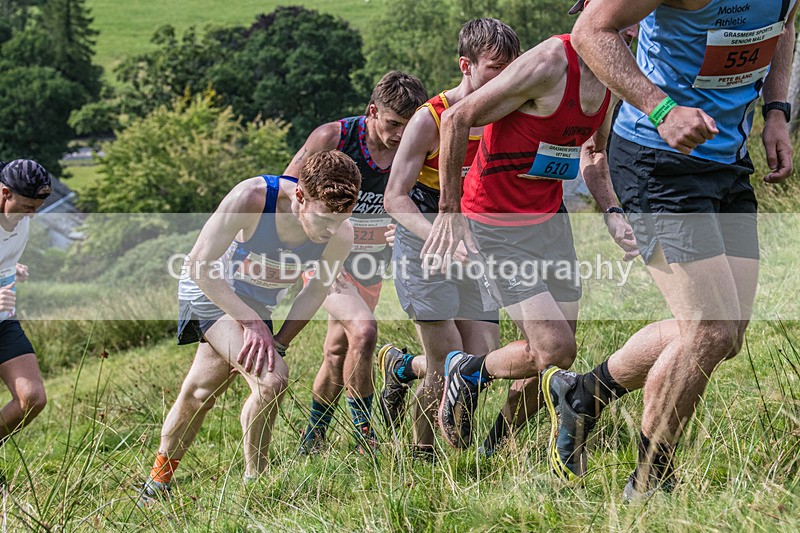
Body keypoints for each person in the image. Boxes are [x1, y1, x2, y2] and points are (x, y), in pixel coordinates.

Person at [543, 0, 797, 499]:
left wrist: (776, 113)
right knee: (708, 329)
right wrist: (660, 108)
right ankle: (649, 482)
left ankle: (582, 394)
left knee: (729, 334)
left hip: (725, 160)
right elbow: (591, 29)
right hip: (657, 159)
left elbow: (781, 30)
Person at [420, 0, 638, 450]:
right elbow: (457, 119)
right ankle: (467, 370)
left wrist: (613, 212)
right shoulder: (549, 62)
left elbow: (593, 154)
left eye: (636, 23)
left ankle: (492, 445)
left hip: (549, 219)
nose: (631, 32)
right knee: (556, 348)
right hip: (496, 222)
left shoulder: (614, 72)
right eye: (622, 22)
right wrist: (449, 208)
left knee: (553, 357)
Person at [139, 151, 360, 504]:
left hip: (255, 301)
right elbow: (199, 264)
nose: (330, 231)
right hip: (210, 286)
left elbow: (316, 288)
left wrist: (279, 341)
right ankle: (257, 481)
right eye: (323, 220)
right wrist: (252, 324)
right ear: (300, 196)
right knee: (271, 379)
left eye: (341, 219)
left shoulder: (340, 233)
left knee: (200, 392)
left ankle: (156, 483)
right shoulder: (252, 197)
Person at [380, 18, 522, 459]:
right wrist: (442, 237)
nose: (509, 76)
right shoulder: (431, 118)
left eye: (513, 65)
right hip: (423, 246)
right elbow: (394, 198)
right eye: (497, 67)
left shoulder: (512, 111)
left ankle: (401, 369)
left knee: (479, 362)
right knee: (445, 367)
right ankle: (426, 455)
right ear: (466, 65)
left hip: (477, 248)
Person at [283, 71, 427, 454]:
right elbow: (287, 188)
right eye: (394, 124)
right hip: (324, 254)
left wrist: (407, 231)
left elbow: (423, 198)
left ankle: (312, 438)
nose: (400, 134)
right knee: (363, 332)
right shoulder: (333, 137)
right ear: (372, 111)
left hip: (370, 263)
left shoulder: (416, 144)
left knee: (338, 349)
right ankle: (367, 438)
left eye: (408, 126)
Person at [0, 160, 51, 473]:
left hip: (3, 321)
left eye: (38, 208)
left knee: (32, 398)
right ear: (5, 193)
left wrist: (8, 267)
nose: (33, 215)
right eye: (28, 207)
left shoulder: (22, 215)